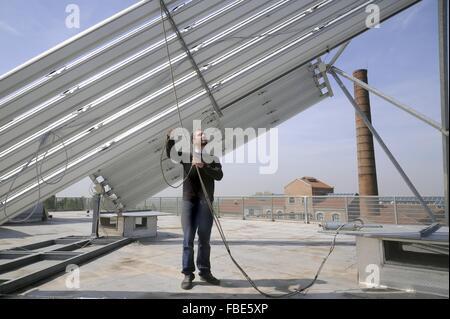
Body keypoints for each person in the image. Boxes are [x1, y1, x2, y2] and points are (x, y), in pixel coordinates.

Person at [166, 128, 223, 290]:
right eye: (200, 134)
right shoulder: (185, 156)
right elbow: (171, 153)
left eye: (204, 134)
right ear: (193, 140)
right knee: (188, 239)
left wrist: (203, 166)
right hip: (189, 202)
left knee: (205, 240)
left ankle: (205, 272)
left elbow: (219, 175)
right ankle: (187, 274)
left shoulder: (213, 158)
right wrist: (170, 138)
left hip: (206, 203)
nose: (203, 135)